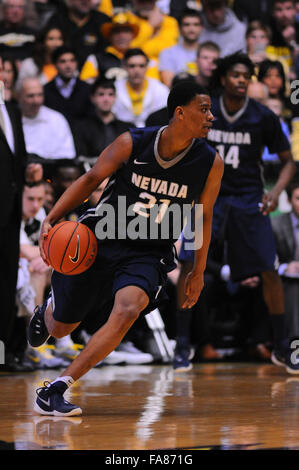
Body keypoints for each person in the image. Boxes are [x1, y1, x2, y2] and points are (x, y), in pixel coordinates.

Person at [27, 81, 223, 415]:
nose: (211, 117)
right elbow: (90, 180)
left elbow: (203, 217)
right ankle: (49, 310)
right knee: (62, 328)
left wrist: (198, 271)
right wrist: (53, 217)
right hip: (100, 239)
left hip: (148, 252)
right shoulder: (133, 141)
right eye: (204, 109)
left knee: (128, 309)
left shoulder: (210, 162)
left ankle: (57, 387)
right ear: (180, 112)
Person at [174, 52, 298, 372]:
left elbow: (288, 161)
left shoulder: (261, 116)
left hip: (246, 198)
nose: (242, 80)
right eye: (236, 75)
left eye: (246, 76)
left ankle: (282, 346)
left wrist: (275, 192)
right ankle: (183, 344)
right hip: (206, 198)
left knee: (269, 271)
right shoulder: (204, 107)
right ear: (223, 78)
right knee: (189, 263)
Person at [0, 51, 43, 372]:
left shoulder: (11, 109)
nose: (2, 73)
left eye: (4, 68)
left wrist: (29, 167)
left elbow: (19, 153)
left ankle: (7, 353)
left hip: (10, 209)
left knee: (5, 282)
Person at [18, 77, 77, 160]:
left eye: (40, 95)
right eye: (30, 96)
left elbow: (67, 155)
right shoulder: (11, 120)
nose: (36, 101)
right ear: (19, 96)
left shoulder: (57, 120)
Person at [76, 78, 135, 158]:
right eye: (101, 94)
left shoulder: (128, 128)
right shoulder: (82, 128)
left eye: (110, 94)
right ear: (92, 98)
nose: (106, 99)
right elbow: (81, 157)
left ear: (115, 98)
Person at [113, 48, 169, 127]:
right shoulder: (114, 89)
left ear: (147, 66)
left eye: (141, 66)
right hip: (122, 133)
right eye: (132, 66)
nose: (137, 70)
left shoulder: (160, 89)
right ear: (124, 67)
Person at [80, 12, 139, 83]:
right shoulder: (95, 59)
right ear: (110, 36)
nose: (122, 36)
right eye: (117, 31)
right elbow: (85, 85)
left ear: (132, 35)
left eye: (126, 31)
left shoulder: (142, 58)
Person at [43, 46, 93, 125]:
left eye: (72, 61)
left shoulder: (87, 89)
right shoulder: (45, 91)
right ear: (55, 64)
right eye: (63, 61)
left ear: (76, 63)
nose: (68, 66)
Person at [159, 8, 203, 88]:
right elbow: (170, 85)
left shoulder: (208, 53)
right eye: (187, 24)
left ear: (201, 27)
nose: (191, 29)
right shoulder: (167, 53)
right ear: (179, 28)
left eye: (196, 24)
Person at [0, 0, 36, 64]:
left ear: (24, 11)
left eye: (20, 7)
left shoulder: (33, 34)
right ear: (4, 9)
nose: (16, 11)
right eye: (11, 6)